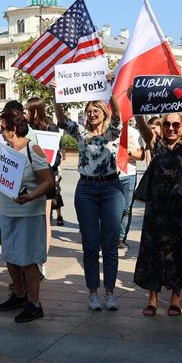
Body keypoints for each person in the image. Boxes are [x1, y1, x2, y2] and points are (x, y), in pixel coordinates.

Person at [132, 90, 182, 317]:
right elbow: (141, 127)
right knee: (153, 253)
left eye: (176, 126)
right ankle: (152, 299)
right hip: (157, 209)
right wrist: (137, 103)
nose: (171, 129)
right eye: (167, 124)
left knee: (178, 253)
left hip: (181, 210)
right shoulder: (156, 144)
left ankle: (175, 299)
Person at [55, 93, 124, 311]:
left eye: (97, 111)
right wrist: (56, 95)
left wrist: (111, 92)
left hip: (111, 189)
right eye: (89, 111)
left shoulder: (112, 132)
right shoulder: (81, 132)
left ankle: (110, 293)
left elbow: (118, 116)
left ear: (104, 113)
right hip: (86, 189)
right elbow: (62, 119)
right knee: (91, 245)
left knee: (110, 245)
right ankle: (93, 292)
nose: (92, 114)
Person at [0, 108, 53, 322]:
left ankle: (34, 303)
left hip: (29, 214)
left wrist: (32, 196)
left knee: (28, 260)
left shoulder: (32, 149)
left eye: (3, 127)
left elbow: (48, 181)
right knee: (10, 255)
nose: (0, 131)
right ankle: (19, 294)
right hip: (8, 211)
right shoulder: (4, 150)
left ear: (13, 129)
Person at [25, 97, 60, 267]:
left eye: (27, 110)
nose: (24, 113)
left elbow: (56, 157)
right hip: (30, 178)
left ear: (35, 111)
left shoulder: (50, 127)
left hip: (46, 178)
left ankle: (42, 260)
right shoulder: (26, 128)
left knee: (44, 218)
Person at [118, 121, 145, 249]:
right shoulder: (108, 131)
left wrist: (126, 152)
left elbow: (141, 155)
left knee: (126, 209)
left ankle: (121, 238)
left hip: (128, 175)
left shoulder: (134, 133)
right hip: (110, 176)